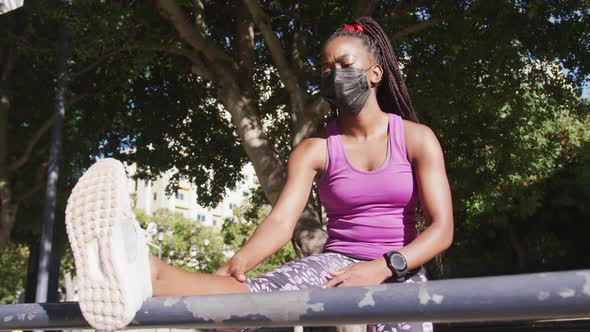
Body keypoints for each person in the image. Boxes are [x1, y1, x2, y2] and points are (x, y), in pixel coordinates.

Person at [64, 16, 453, 332]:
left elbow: (441, 229)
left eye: (345, 65)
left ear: (374, 73)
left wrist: (382, 267)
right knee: (250, 298)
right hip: (335, 263)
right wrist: (237, 265)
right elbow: (282, 222)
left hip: (399, 268)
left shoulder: (416, 139)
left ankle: (144, 274)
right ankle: (143, 270)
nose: (334, 74)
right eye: (326, 68)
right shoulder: (314, 150)